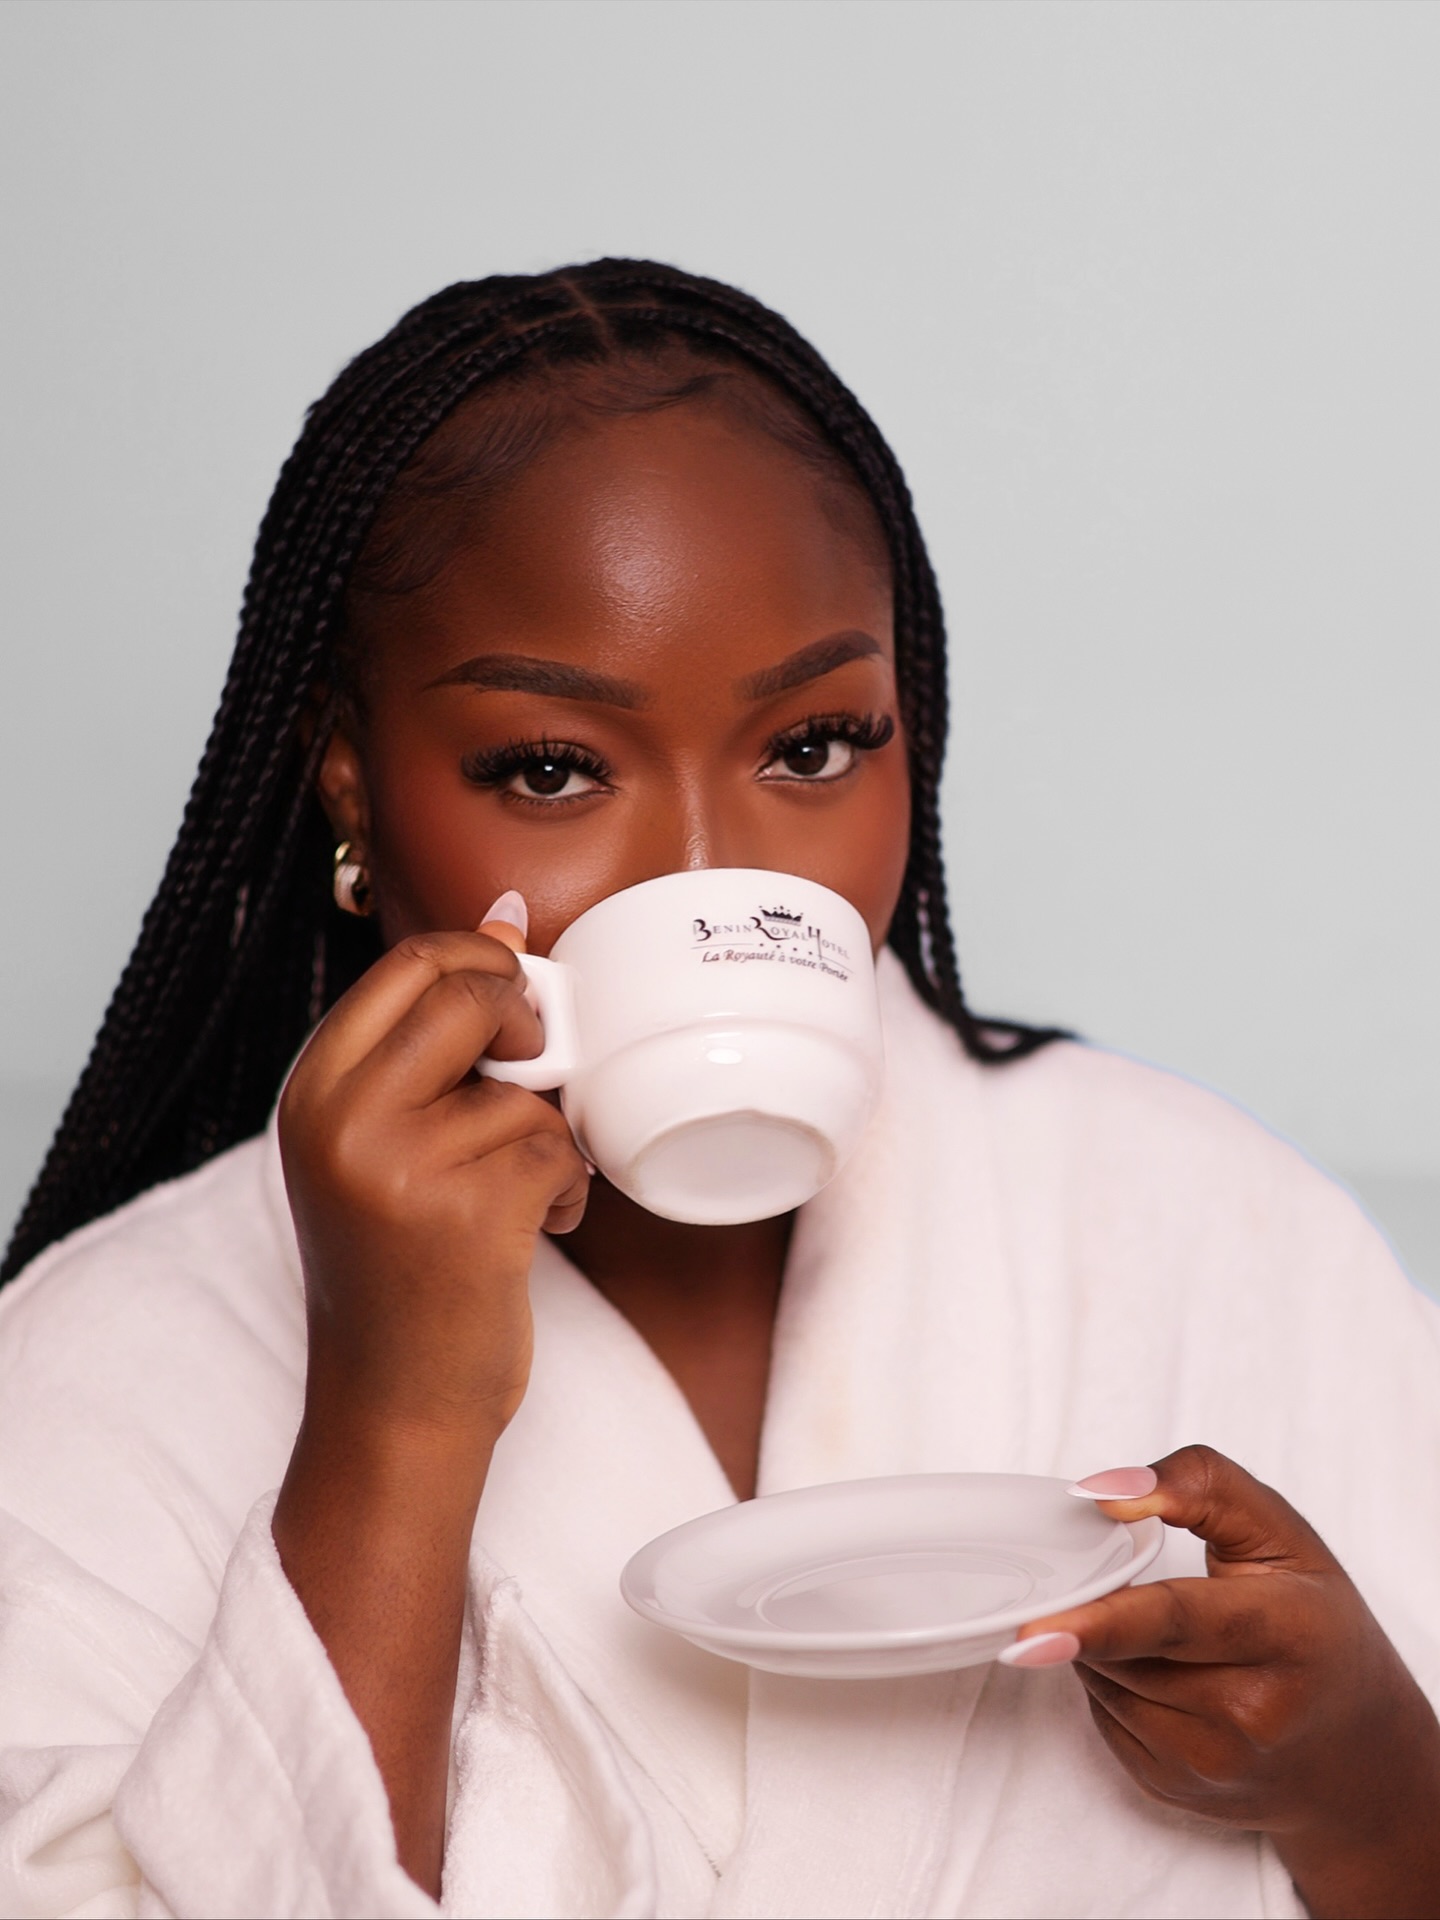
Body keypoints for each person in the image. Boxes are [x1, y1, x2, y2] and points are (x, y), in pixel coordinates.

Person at [1, 259, 1437, 1920]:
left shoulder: (1208, 1227)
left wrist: (1379, 1792)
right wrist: (391, 1425)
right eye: (553, 769)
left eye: (813, 747)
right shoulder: (104, 1368)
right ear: (349, 778)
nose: (712, 878)